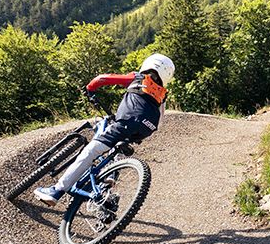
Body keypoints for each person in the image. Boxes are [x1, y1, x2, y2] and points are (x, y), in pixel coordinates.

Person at [34, 53, 175, 203]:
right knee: (120, 144)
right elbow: (159, 123)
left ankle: (56, 191)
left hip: (128, 122)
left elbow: (103, 79)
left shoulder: (139, 78)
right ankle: (110, 175)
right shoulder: (162, 95)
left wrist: (90, 88)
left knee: (91, 151)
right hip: (146, 130)